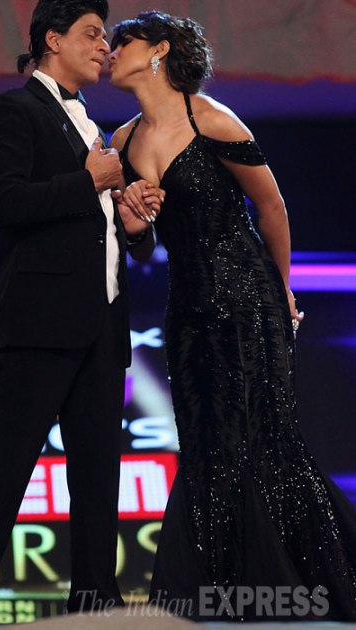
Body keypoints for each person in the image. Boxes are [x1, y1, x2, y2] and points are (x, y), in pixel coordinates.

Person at [108, 10, 356, 620]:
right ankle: (216, 595)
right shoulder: (120, 142)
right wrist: (134, 223)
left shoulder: (212, 119)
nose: (111, 52)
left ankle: (300, 586)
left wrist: (284, 291)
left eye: (123, 42)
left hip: (249, 301)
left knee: (263, 437)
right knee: (203, 443)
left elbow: (271, 209)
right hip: (186, 310)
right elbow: (136, 242)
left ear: (159, 51)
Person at [0, 0, 163, 624]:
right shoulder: (13, 109)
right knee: (8, 466)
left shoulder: (93, 125)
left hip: (103, 324)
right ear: (52, 40)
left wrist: (133, 223)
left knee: (98, 475)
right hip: (38, 322)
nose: (105, 47)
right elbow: (5, 204)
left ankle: (96, 604)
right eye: (92, 34)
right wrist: (89, 182)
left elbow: (100, 230)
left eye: (105, 37)